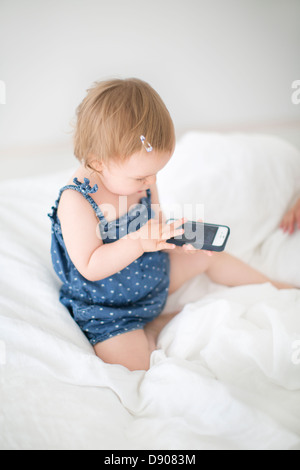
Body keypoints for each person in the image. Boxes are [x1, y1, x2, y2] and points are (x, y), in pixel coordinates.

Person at [48, 78, 294, 372]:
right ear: (98, 162)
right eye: (141, 178)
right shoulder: (77, 201)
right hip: (108, 306)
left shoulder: (142, 180)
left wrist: (175, 234)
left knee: (207, 255)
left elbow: (155, 221)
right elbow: (89, 265)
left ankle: (273, 285)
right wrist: (138, 242)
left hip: (150, 277)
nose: (151, 182)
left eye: (156, 173)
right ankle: (152, 327)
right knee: (134, 368)